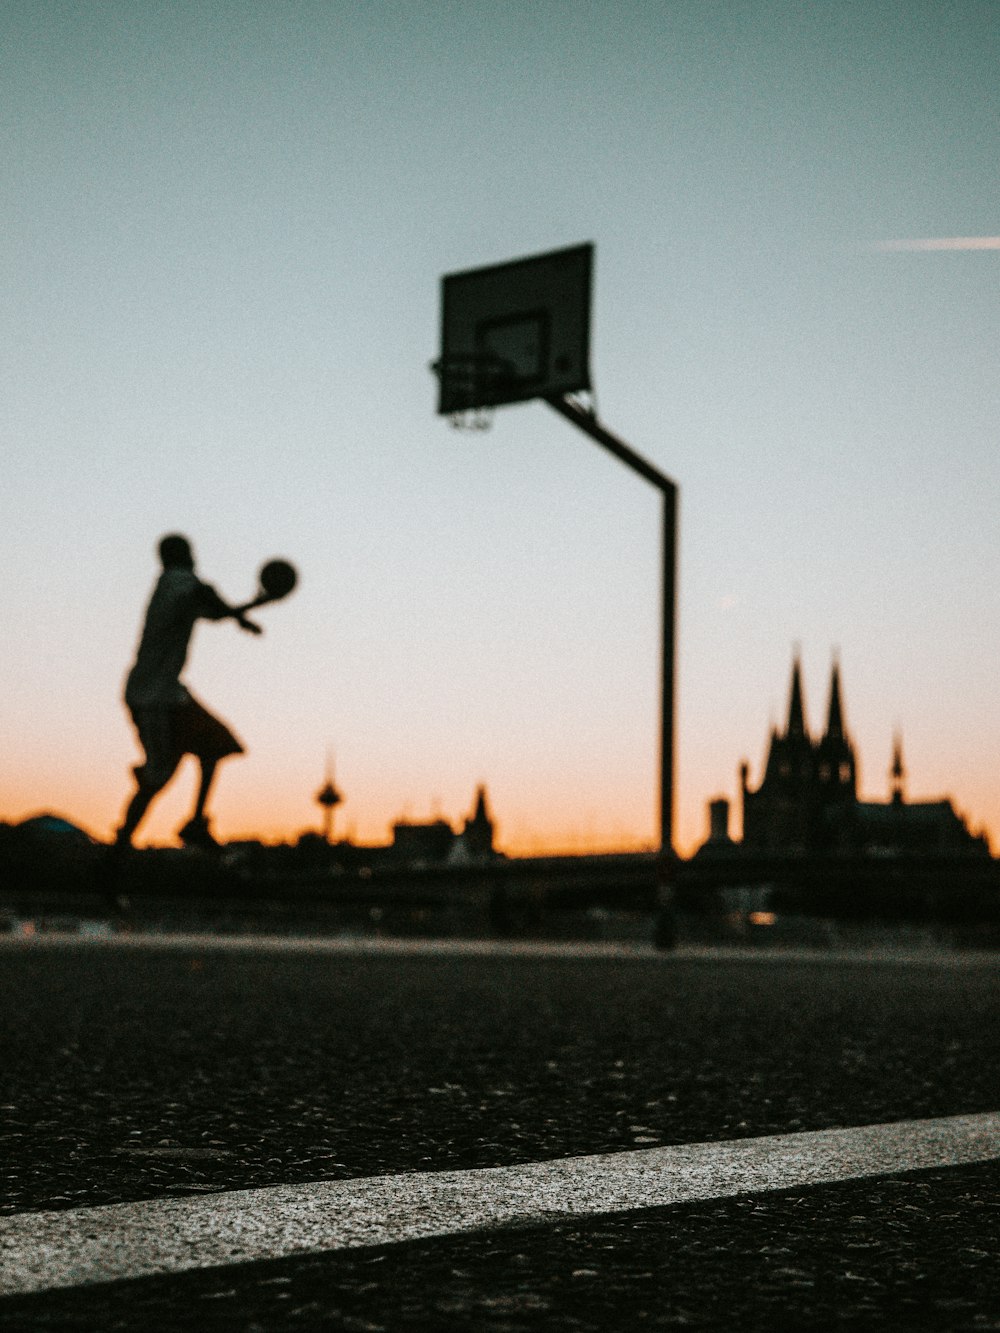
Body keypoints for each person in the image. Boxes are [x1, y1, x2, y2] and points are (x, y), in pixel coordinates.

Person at [116, 534, 262, 849]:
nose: (195, 557)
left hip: (168, 693)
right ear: (178, 556)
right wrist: (241, 616)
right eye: (190, 552)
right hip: (152, 698)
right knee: (157, 779)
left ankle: (196, 822)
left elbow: (214, 610)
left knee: (215, 742)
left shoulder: (174, 591)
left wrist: (254, 605)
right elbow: (206, 593)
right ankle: (117, 853)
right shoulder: (176, 580)